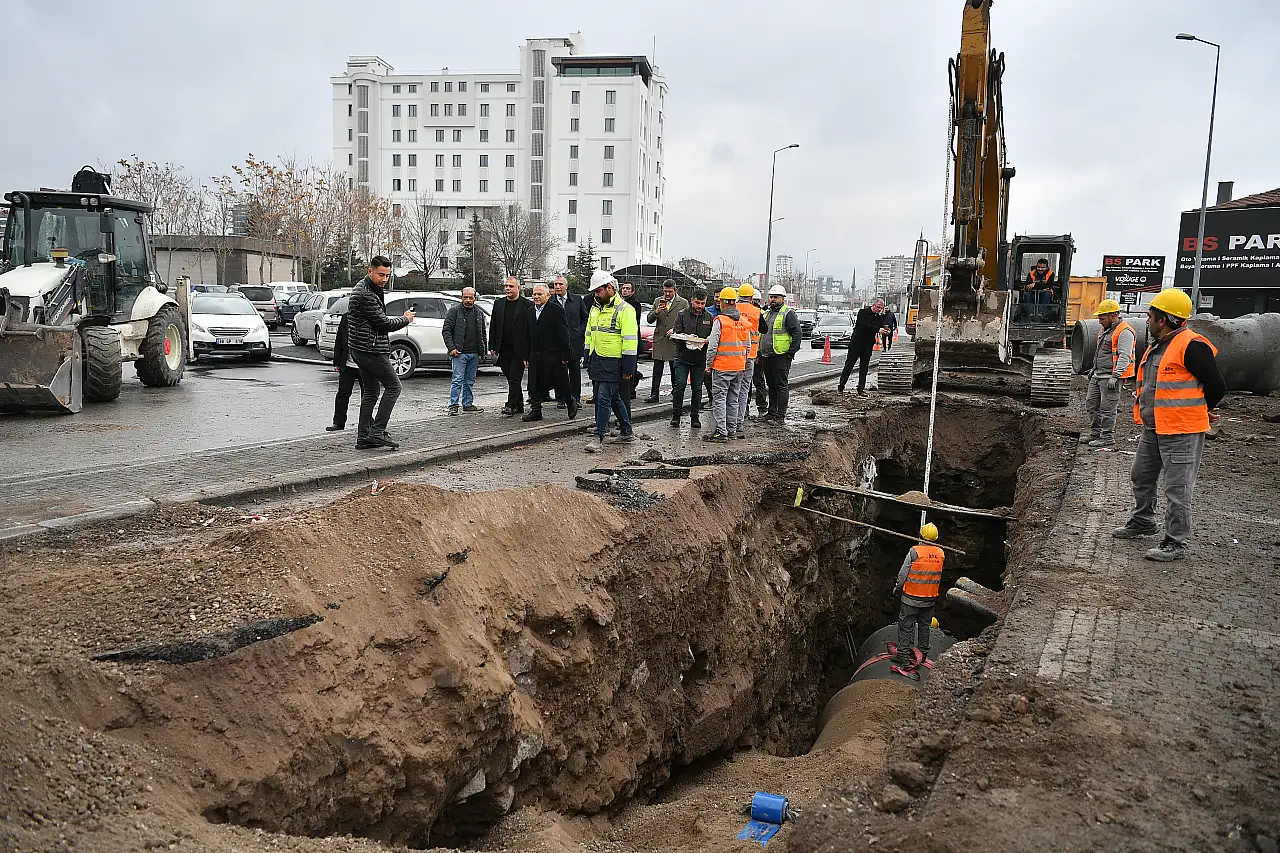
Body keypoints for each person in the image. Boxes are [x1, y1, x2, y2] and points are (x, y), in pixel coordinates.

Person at [1112, 289, 1225, 562]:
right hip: (1154, 428)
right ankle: (1143, 521)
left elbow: (1217, 386)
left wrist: (1199, 410)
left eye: (1151, 316)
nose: (1148, 321)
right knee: (1142, 476)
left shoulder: (1192, 346)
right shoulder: (1158, 344)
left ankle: (1175, 541)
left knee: (1177, 488)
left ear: (1163, 319)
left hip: (1182, 430)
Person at [347, 256, 414, 449]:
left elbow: (376, 320)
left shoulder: (370, 288)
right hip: (370, 349)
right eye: (381, 274)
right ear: (370, 271)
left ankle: (364, 436)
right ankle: (376, 432)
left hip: (363, 347)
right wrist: (405, 319)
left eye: (387, 275)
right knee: (394, 386)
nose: (384, 279)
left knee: (371, 391)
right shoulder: (365, 293)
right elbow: (383, 323)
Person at [583, 271, 638, 452]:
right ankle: (626, 430)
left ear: (609, 288)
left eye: (598, 291)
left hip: (613, 361)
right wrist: (587, 356)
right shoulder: (595, 308)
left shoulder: (625, 310)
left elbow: (630, 341)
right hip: (598, 358)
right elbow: (590, 333)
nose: (595, 294)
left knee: (604, 398)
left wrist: (628, 367)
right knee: (614, 397)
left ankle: (599, 436)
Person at [892, 523, 944, 678]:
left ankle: (903, 658)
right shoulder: (941, 553)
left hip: (910, 599)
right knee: (924, 627)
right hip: (929, 600)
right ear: (935, 538)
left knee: (906, 627)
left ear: (920, 536)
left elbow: (903, 574)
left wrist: (897, 589)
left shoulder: (914, 552)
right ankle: (923, 656)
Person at [1084, 299, 1135, 447]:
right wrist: (1094, 369)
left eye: (1102, 318)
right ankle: (1095, 433)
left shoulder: (1124, 332)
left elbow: (1124, 356)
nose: (1099, 321)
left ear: (1113, 316)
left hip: (1110, 377)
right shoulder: (1105, 330)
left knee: (1107, 408)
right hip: (1099, 374)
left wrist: (1116, 376)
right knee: (1091, 404)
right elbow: (1100, 352)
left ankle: (1106, 436)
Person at [523, 283, 577, 422]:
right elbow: (527, 335)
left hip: (553, 354)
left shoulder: (556, 310)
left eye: (539, 294)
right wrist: (526, 355)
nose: (536, 297)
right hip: (535, 354)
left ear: (548, 295)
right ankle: (536, 410)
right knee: (534, 383)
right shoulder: (530, 311)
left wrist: (565, 355)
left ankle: (570, 401)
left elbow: (563, 333)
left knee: (561, 382)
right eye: (534, 294)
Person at [703, 287, 748, 443]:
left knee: (720, 398)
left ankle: (721, 432)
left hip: (722, 367)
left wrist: (708, 364)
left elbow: (713, 346)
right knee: (733, 399)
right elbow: (747, 346)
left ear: (722, 302)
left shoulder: (720, 321)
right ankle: (731, 430)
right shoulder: (743, 321)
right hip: (739, 367)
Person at [669, 287, 714, 429]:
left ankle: (695, 416)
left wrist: (707, 340)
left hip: (700, 359)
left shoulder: (709, 317)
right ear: (691, 301)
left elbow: (713, 336)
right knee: (680, 385)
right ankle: (676, 415)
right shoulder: (682, 315)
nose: (700, 306)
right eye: (697, 303)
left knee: (697, 389)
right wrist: (687, 339)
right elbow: (676, 334)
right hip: (682, 357)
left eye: (702, 303)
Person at [757, 284, 803, 422]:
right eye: (771, 297)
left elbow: (797, 333)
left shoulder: (788, 313)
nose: (772, 299)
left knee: (781, 385)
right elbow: (761, 334)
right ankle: (771, 412)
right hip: (766, 355)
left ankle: (780, 415)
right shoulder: (766, 313)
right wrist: (759, 353)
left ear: (782, 298)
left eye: (775, 297)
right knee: (771, 385)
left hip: (781, 355)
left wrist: (791, 353)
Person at [489, 276, 532, 417]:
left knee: (514, 377)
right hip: (504, 347)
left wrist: (528, 350)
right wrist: (492, 345)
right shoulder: (499, 304)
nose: (507, 288)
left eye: (511, 286)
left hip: (519, 349)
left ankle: (511, 405)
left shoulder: (526, 305)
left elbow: (530, 328)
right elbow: (494, 325)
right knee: (510, 377)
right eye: (506, 286)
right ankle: (519, 404)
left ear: (518, 288)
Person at [442, 287, 487, 416]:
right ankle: (453, 406)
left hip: (474, 353)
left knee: (470, 380)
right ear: (461, 298)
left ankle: (467, 404)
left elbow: (483, 333)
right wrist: (452, 348)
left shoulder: (479, 313)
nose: (467, 300)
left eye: (470, 298)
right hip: (459, 353)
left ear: (475, 299)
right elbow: (446, 331)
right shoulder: (454, 312)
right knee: (457, 380)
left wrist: (483, 351)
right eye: (465, 297)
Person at [645, 279, 688, 403]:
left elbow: (687, 322)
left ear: (675, 290)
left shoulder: (683, 303)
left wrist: (675, 329)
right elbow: (649, 319)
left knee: (674, 369)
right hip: (660, 339)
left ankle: (676, 394)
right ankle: (654, 395)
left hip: (674, 341)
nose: (667, 294)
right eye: (665, 291)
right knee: (657, 369)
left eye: (670, 291)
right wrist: (656, 311)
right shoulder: (658, 301)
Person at [553, 275, 589, 408]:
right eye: (555, 284)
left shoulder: (577, 300)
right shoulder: (551, 301)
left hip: (574, 342)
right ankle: (561, 398)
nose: (557, 286)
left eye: (560, 284)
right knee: (559, 372)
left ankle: (575, 398)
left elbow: (585, 318)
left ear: (566, 286)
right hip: (557, 343)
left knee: (574, 372)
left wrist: (580, 331)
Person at [733, 283, 763, 438]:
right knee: (745, 388)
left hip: (733, 354)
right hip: (750, 355)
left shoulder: (732, 310)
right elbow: (763, 330)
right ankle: (740, 419)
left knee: (732, 389)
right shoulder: (757, 312)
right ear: (752, 298)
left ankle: (729, 421)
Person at [839, 297, 886, 396]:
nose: (879, 310)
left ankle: (861, 389)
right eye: (878, 307)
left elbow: (881, 328)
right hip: (856, 344)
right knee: (849, 366)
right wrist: (878, 329)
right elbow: (864, 325)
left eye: (881, 308)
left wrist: (885, 331)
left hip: (867, 346)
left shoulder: (878, 317)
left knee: (864, 369)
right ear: (873, 305)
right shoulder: (862, 312)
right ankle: (841, 387)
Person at [325, 312, 361, 431]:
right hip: (348, 364)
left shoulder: (369, 316)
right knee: (342, 394)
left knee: (368, 396)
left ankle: (367, 423)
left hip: (365, 366)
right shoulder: (346, 317)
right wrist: (337, 361)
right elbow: (339, 339)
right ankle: (338, 423)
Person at [618, 281, 645, 406]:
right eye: (623, 288)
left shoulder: (635, 304)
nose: (625, 290)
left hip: (632, 340)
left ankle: (631, 390)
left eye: (628, 288)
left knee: (631, 367)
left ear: (633, 291)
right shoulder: (619, 302)